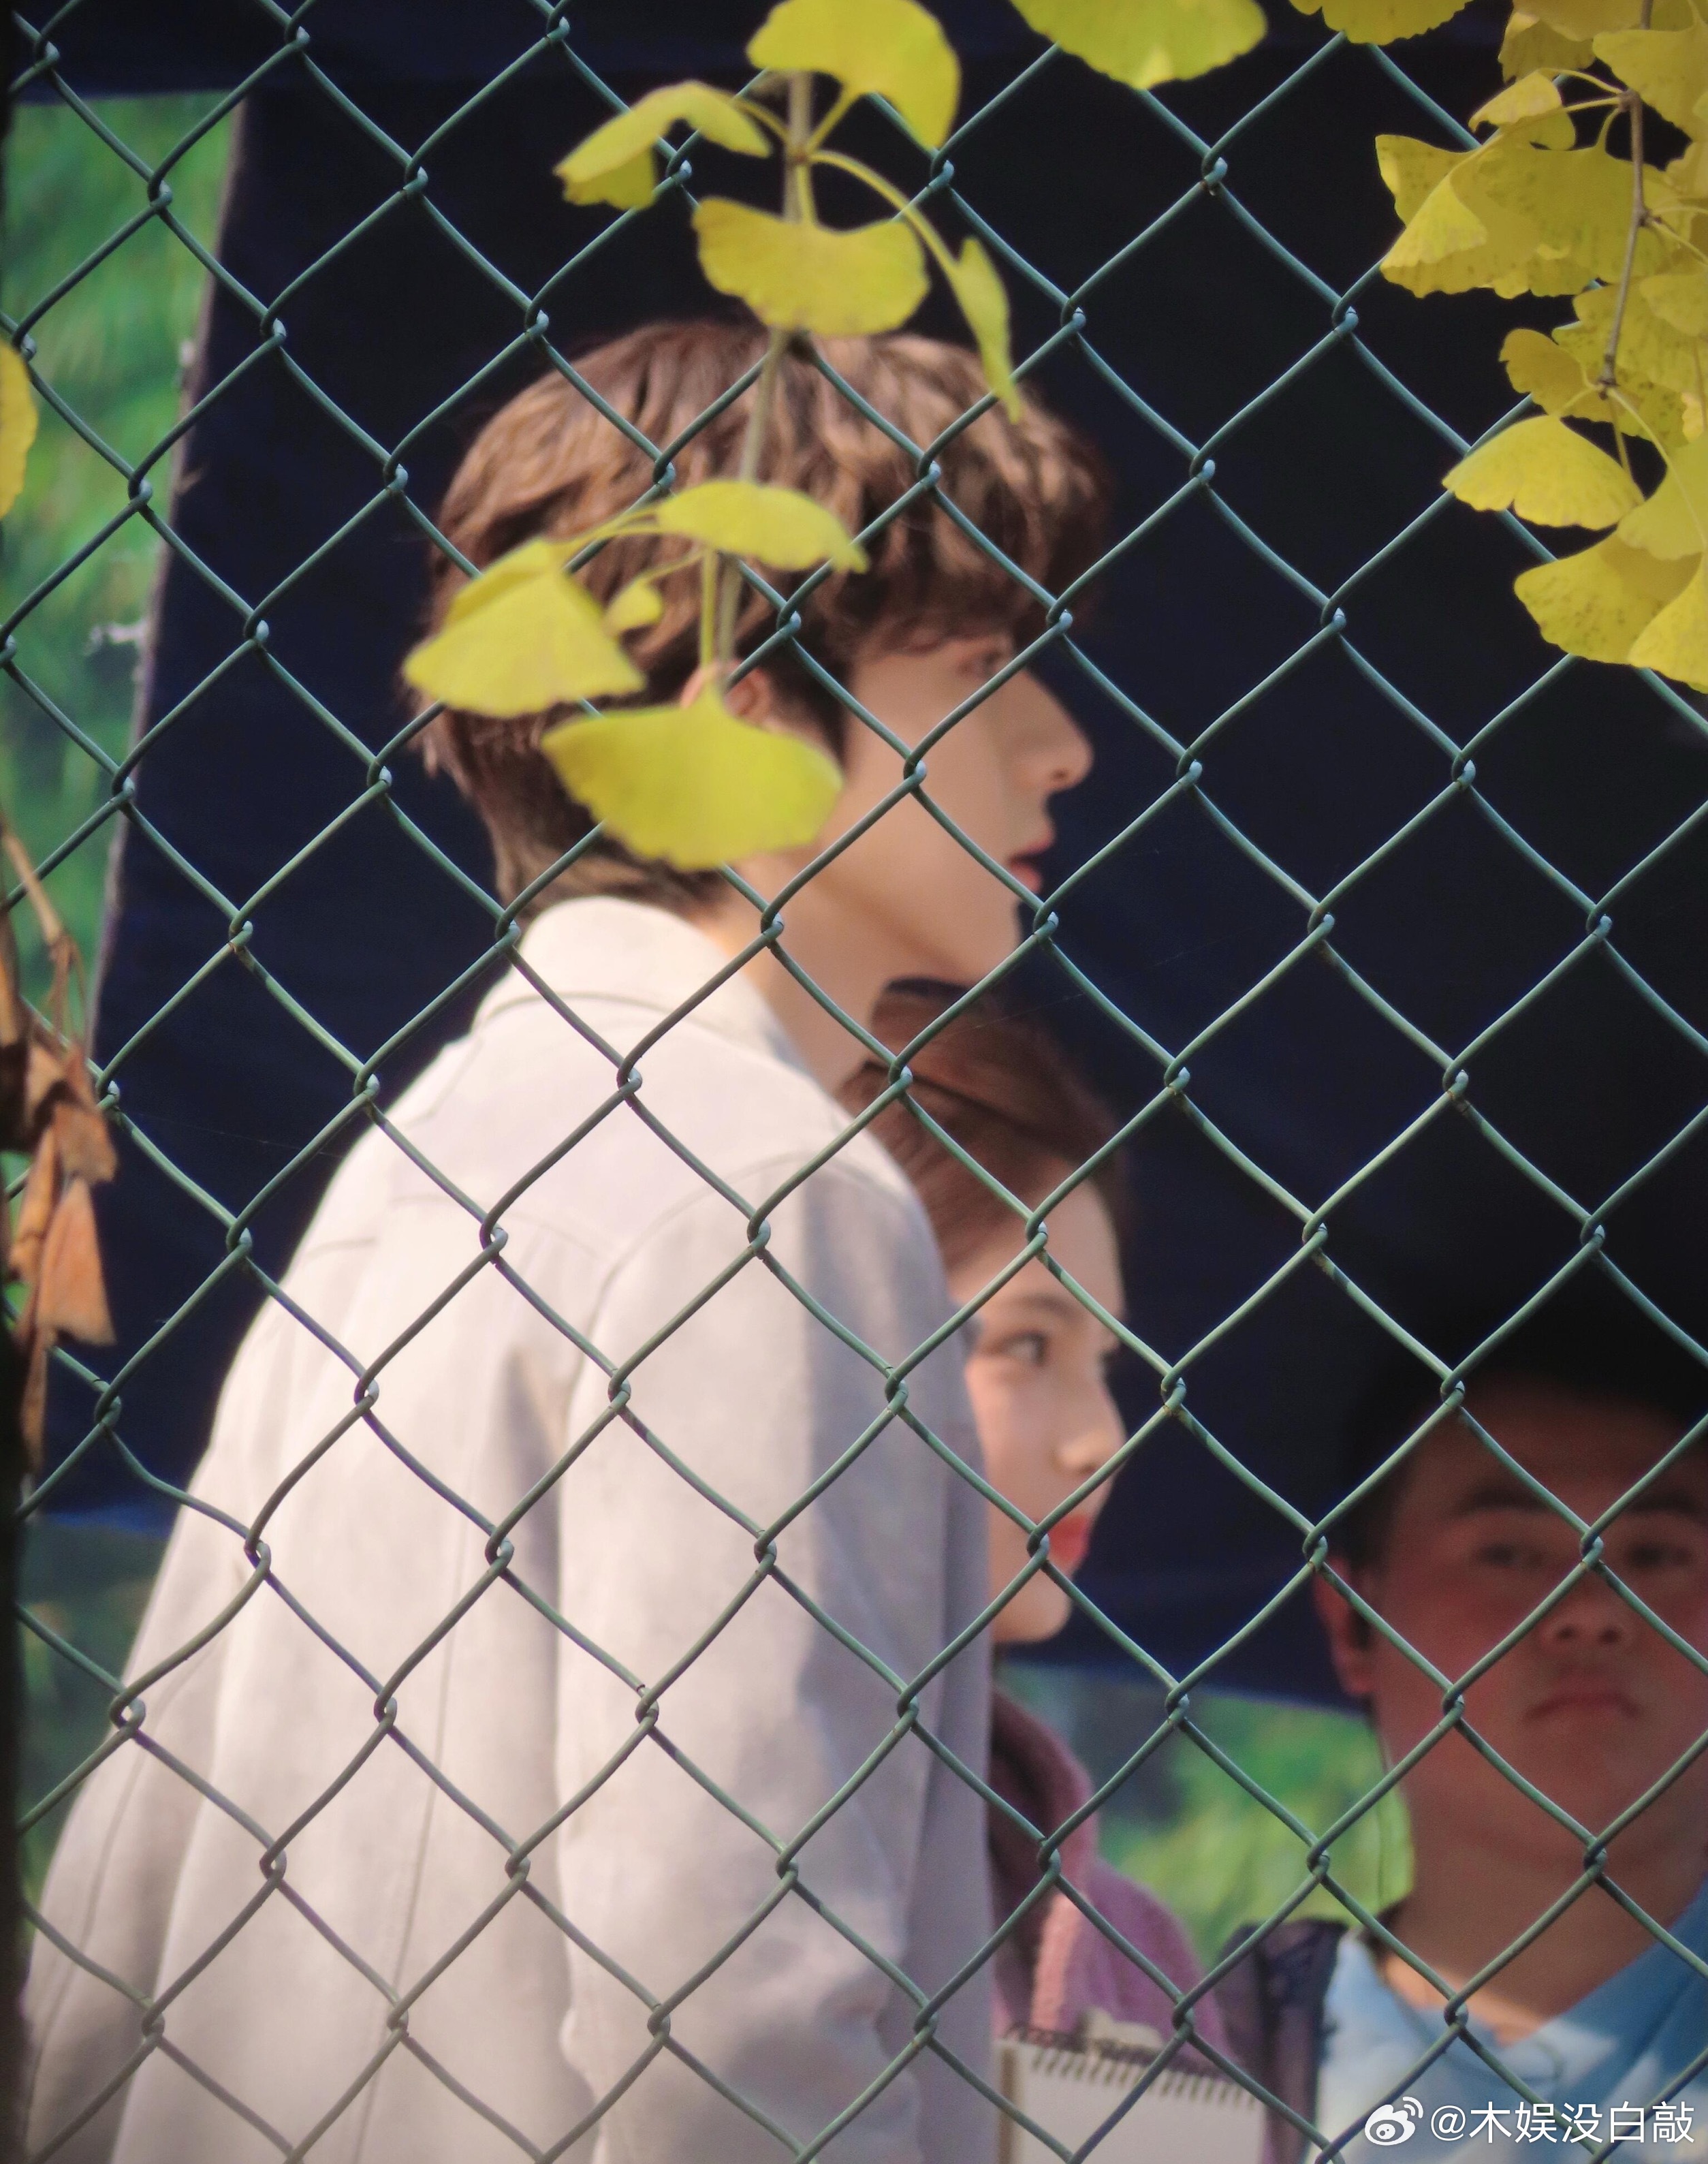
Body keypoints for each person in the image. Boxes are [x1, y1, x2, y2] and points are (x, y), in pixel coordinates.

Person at [23, 323, 1112, 2164]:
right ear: (748, 713)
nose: (1062, 745)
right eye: (983, 665)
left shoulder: (428, 1152)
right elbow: (739, 2016)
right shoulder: (777, 1185)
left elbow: (113, 1929)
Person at [1218, 1308, 1708, 2161]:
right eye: (1509, 1554)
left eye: (1657, 1555)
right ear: (1353, 1620)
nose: (1591, 1611)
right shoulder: (1206, 2050)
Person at [841, 989, 1227, 2067]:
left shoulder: (1140, 1962)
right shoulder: (643, 1832)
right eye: (1027, 1346)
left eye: (1103, 1362)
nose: (1101, 1439)